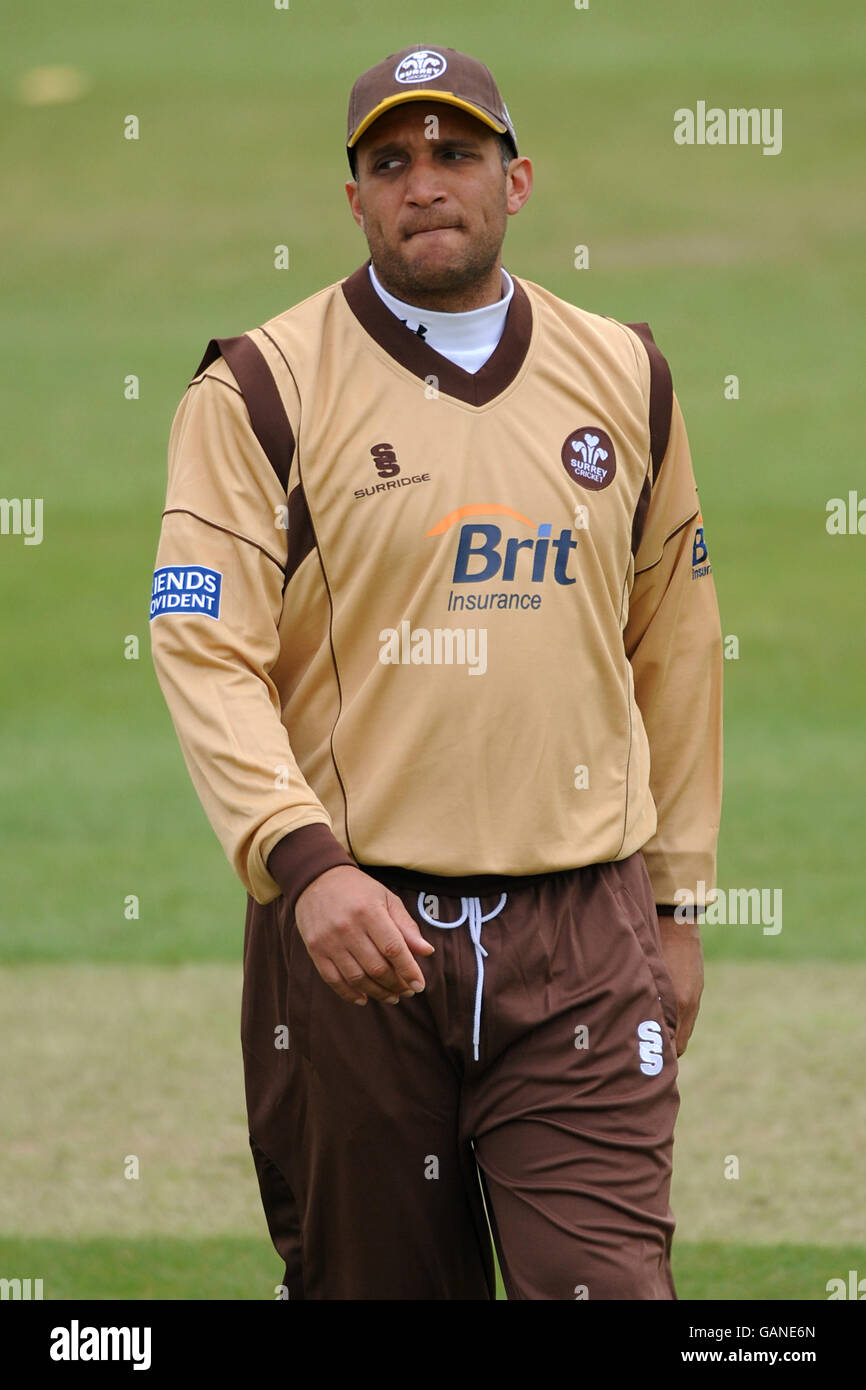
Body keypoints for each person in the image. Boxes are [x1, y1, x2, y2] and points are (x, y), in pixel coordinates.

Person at [150, 44, 723, 1301]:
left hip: (582, 937)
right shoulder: (258, 385)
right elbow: (202, 644)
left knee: (610, 1288)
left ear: (515, 183)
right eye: (388, 162)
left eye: (455, 154)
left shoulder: (624, 375)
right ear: (350, 197)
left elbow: (673, 648)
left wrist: (678, 905)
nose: (423, 183)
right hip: (356, 940)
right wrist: (302, 861)